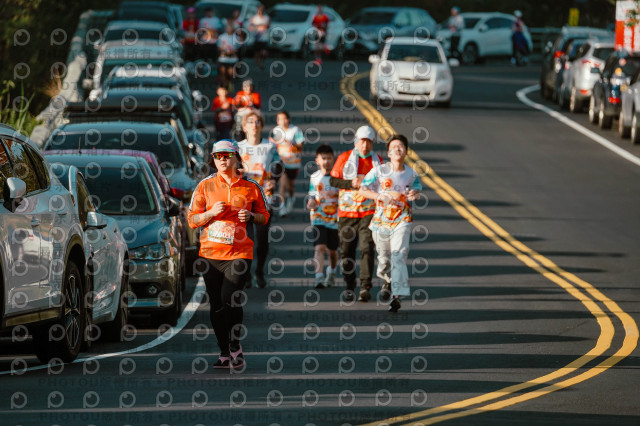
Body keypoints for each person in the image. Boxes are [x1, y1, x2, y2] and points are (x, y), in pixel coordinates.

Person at [187, 139, 270, 369]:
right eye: (217, 156)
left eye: (226, 155)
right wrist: (210, 213)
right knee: (216, 305)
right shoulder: (204, 186)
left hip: (239, 253)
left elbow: (265, 216)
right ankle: (224, 351)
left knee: (229, 298)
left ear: (236, 158)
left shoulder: (251, 186)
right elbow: (192, 220)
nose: (222, 160)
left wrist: (251, 217)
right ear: (213, 159)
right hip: (210, 255)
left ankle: (235, 345)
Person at [358, 135, 422, 312]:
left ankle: (397, 295)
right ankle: (387, 279)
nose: (398, 149)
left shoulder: (411, 174)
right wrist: (379, 196)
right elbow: (362, 190)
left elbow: (417, 190)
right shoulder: (379, 171)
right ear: (388, 153)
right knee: (384, 259)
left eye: (401, 146)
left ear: (406, 151)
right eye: (394, 147)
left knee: (399, 254)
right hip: (381, 222)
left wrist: (414, 194)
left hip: (402, 219)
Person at [330, 126, 384, 302]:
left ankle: (365, 286)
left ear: (372, 143)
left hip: (369, 212)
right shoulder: (344, 158)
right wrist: (351, 183)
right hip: (347, 213)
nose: (365, 145)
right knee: (347, 251)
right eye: (362, 141)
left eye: (369, 142)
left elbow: (385, 183)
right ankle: (349, 284)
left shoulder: (378, 161)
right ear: (356, 142)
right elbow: (333, 180)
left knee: (367, 247)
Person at [237, 111, 281, 288]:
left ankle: (260, 271)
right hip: (243, 199)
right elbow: (230, 168)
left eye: (257, 122)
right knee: (246, 238)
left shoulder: (270, 146)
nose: (254, 125)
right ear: (244, 127)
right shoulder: (238, 147)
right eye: (250, 122)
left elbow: (279, 165)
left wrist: (274, 180)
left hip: (264, 197)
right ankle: (246, 274)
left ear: (261, 126)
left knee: (262, 239)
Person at [307, 144, 339, 288]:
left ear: (333, 159)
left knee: (332, 251)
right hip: (318, 217)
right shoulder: (314, 177)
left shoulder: (338, 177)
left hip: (335, 219)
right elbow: (312, 195)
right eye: (323, 158)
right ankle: (319, 277)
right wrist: (311, 203)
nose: (326, 161)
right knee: (319, 247)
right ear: (317, 160)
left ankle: (331, 272)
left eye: (329, 158)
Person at [271, 111, 304, 217]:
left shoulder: (295, 130)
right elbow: (274, 144)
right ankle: (282, 207)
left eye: (284, 118)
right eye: (280, 119)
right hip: (281, 162)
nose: (283, 121)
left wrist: (291, 143)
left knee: (290, 186)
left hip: (293, 162)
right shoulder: (276, 130)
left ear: (288, 119)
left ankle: (291, 197)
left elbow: (300, 146)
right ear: (277, 121)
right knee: (283, 184)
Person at [249, 4, 270, 69]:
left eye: (262, 9)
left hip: (264, 38)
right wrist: (258, 26)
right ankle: (258, 63)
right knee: (257, 52)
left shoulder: (266, 17)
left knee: (264, 53)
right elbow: (250, 27)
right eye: (260, 9)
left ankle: (261, 62)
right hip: (257, 37)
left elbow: (267, 26)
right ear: (258, 10)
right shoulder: (254, 18)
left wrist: (258, 26)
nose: (261, 10)